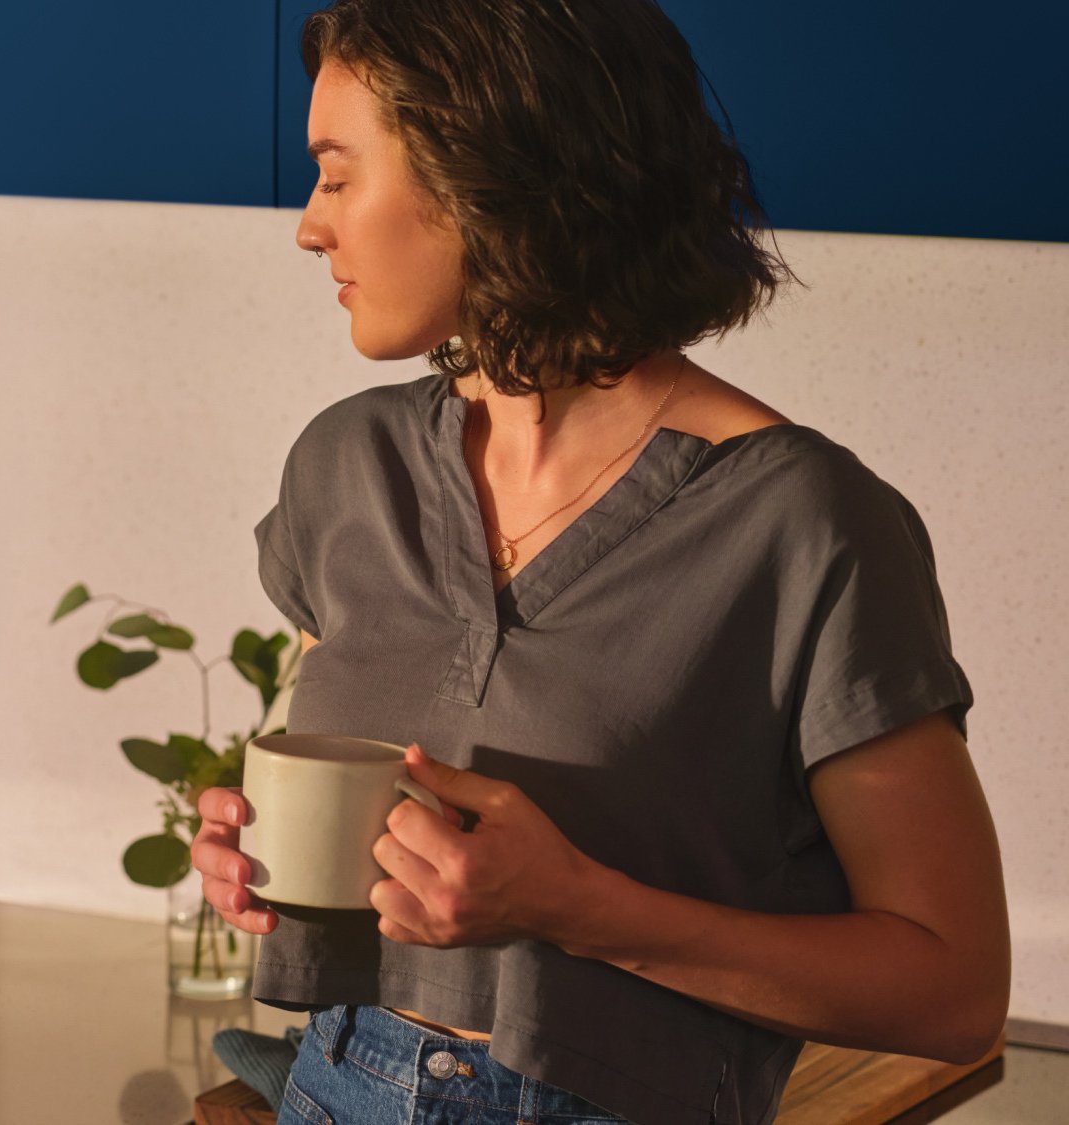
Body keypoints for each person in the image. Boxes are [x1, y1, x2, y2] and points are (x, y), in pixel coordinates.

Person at [190, 2, 1010, 1123]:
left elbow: (952, 994)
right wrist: (261, 850)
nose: (307, 226)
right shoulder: (346, 468)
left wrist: (582, 906)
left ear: (487, 172)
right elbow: (374, 760)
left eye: (337, 175)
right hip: (336, 1089)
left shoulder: (803, 523)